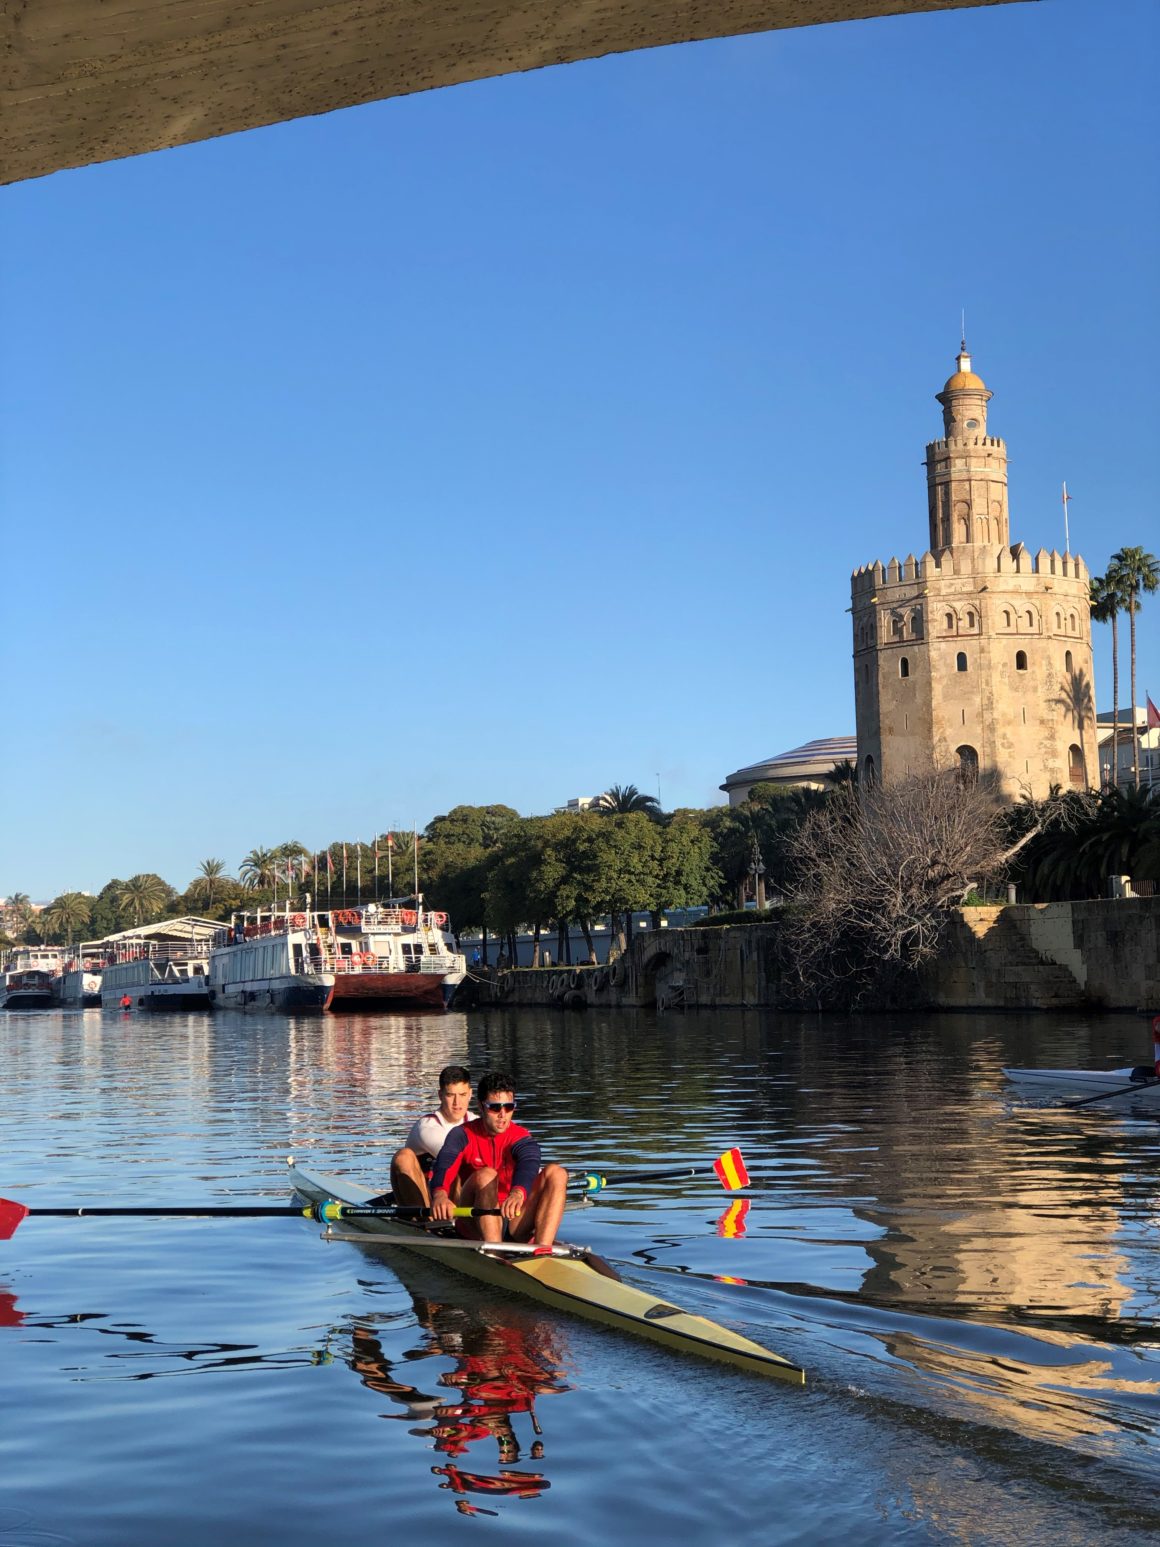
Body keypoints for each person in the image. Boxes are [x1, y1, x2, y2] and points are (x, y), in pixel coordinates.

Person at [429, 1071, 568, 1248]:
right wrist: (440, 1194)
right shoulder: (462, 1134)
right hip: (474, 1219)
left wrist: (518, 1193)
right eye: (495, 1108)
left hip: (514, 1216)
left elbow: (529, 1161)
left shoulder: (520, 1136)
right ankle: (495, 1252)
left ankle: (543, 1251)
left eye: (508, 1107)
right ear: (481, 1107)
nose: (502, 1114)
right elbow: (445, 1162)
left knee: (557, 1173)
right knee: (487, 1175)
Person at [390, 1065, 474, 1209]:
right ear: (440, 1095)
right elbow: (454, 1158)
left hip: (457, 1201)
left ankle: (466, 1218)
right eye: (450, 1095)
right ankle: (424, 1219)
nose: (457, 1103)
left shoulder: (475, 1121)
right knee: (403, 1157)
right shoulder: (427, 1127)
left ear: (470, 1094)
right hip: (424, 1202)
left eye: (462, 1095)